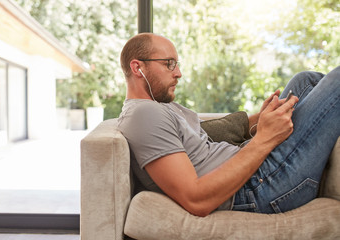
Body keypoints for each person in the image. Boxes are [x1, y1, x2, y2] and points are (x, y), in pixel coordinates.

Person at [117, 32, 340, 217]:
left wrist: (258, 121)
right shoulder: (143, 115)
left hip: (251, 170)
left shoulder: (160, 107)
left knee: (305, 80)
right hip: (256, 189)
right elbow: (195, 200)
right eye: (169, 64)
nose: (179, 73)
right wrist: (265, 138)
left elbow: (206, 138)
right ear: (138, 68)